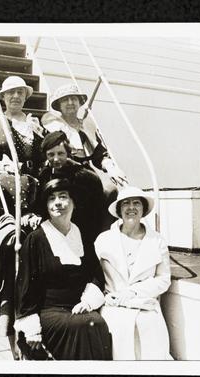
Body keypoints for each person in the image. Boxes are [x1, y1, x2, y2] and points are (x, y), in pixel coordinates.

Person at [14, 179, 112, 360]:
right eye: (51, 199)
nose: (57, 202)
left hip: (79, 306)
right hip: (48, 311)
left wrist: (88, 302)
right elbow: (25, 286)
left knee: (96, 323)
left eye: (63, 197)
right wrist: (31, 328)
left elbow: (95, 275)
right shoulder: (36, 239)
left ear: (74, 203)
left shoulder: (82, 235)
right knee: (85, 325)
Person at [93, 186, 171, 360]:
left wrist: (133, 292)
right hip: (113, 307)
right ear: (119, 210)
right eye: (126, 204)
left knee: (150, 341)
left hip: (145, 306)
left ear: (143, 209)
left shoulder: (157, 241)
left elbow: (164, 279)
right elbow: (93, 277)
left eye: (136, 203)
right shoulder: (103, 240)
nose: (131, 208)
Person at [0, 75, 45, 241]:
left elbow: (42, 157)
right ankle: (23, 218)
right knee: (7, 182)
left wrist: (40, 132)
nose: (16, 96)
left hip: (30, 179)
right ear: (3, 97)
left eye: (20, 92)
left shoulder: (34, 123)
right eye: (11, 92)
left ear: (26, 97)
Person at [41, 84, 128, 220]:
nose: (70, 103)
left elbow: (99, 154)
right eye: (65, 100)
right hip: (61, 172)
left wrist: (111, 167)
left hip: (85, 174)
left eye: (73, 99)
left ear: (79, 102)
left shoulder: (87, 126)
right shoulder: (52, 125)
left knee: (110, 191)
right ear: (59, 104)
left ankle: (101, 235)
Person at [37, 130, 105, 248]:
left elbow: (95, 209)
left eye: (60, 153)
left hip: (84, 230)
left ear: (68, 154)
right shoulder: (45, 175)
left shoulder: (84, 176)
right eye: (51, 154)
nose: (56, 159)